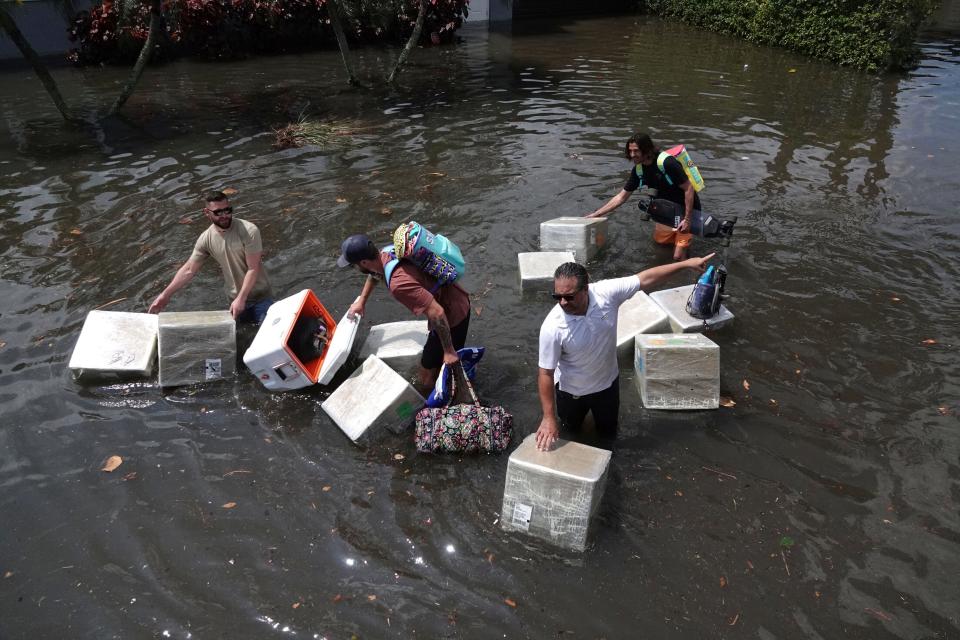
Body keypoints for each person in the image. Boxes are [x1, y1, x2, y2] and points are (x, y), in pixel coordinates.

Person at [536, 254, 714, 451]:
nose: (562, 303)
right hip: (571, 393)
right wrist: (548, 417)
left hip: (607, 386)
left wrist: (686, 264)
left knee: (609, 436)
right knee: (572, 434)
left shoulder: (606, 293)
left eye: (569, 297)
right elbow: (545, 373)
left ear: (586, 288)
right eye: (557, 296)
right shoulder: (552, 327)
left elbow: (645, 278)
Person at [338, 233, 471, 389]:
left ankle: (449, 394)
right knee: (436, 364)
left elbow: (437, 312)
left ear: (364, 262)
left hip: (453, 315)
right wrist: (362, 301)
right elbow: (374, 275)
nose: (355, 269)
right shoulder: (387, 253)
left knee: (427, 377)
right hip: (456, 297)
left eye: (354, 265)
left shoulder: (398, 284)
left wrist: (448, 350)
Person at [148, 191, 274, 324]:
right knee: (241, 338)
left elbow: (252, 268)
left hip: (261, 297)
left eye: (227, 210)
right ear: (207, 213)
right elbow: (189, 269)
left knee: (265, 335)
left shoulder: (249, 231)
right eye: (218, 212)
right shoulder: (206, 239)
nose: (225, 215)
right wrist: (165, 295)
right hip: (234, 299)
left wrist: (241, 298)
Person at [586, 132, 702, 261]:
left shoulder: (667, 163)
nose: (632, 155)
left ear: (647, 149)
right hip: (666, 212)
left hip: (685, 210)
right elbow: (622, 197)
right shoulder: (638, 170)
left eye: (636, 151)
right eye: (630, 151)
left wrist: (687, 219)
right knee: (662, 249)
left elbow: (689, 188)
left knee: (677, 256)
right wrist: (597, 214)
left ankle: (687, 269)